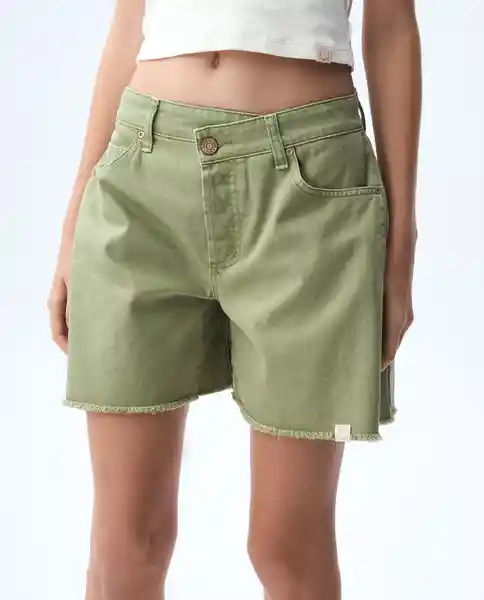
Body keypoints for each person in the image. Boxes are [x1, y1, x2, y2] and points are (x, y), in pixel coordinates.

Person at [48, 0, 421, 598]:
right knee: (125, 546)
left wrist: (400, 249)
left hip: (310, 182)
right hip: (139, 174)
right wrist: (74, 221)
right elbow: (128, 25)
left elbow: (393, 28)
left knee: (287, 544)